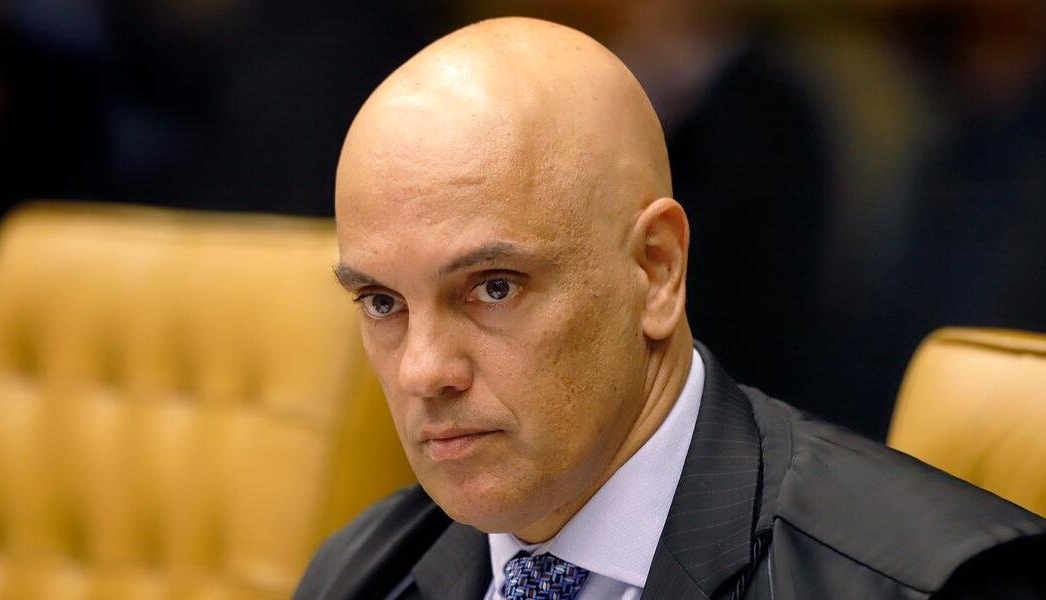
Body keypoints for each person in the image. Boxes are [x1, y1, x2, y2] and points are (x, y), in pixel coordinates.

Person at [295, 17, 1046, 600]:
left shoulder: (924, 586)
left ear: (656, 270)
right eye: (382, 302)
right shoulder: (363, 572)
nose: (423, 371)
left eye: (494, 287)